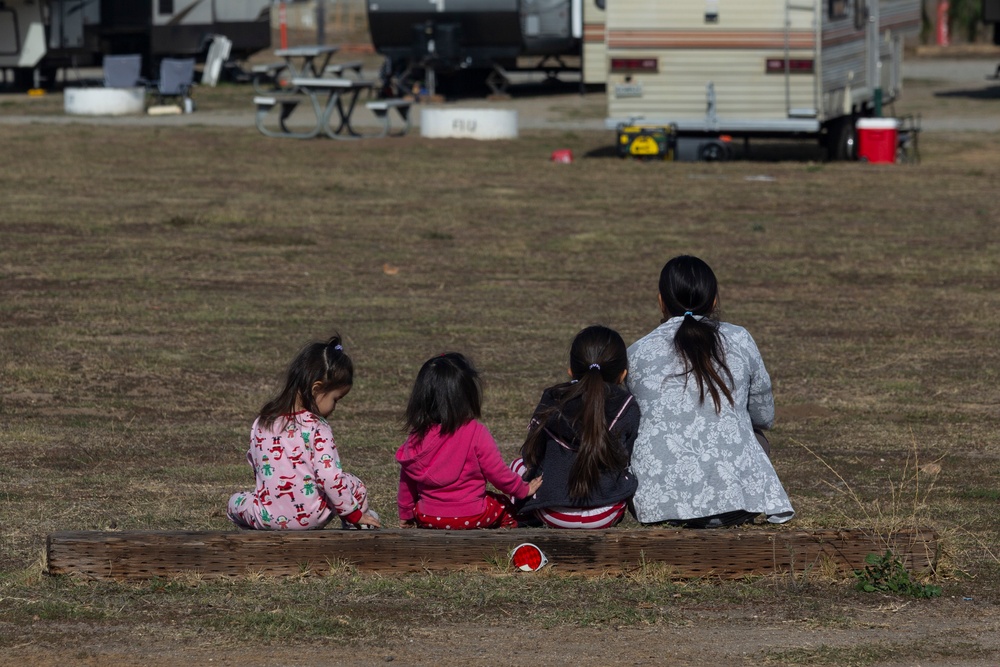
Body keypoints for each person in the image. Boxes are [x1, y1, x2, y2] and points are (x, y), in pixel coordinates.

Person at [627, 255, 794, 527]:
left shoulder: (635, 353)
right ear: (714, 300)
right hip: (738, 506)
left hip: (657, 507)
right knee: (756, 436)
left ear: (661, 301)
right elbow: (764, 417)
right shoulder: (740, 339)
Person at [228, 334, 381, 530]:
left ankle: (254, 532)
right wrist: (353, 512)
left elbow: (258, 467)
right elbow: (329, 477)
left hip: (268, 517)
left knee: (235, 501)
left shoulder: (262, 422)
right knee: (354, 484)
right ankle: (359, 524)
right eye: (336, 399)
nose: (335, 407)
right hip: (311, 517)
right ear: (317, 389)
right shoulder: (318, 427)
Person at [396, 353, 542, 529]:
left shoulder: (416, 436)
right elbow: (497, 474)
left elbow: (407, 480)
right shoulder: (475, 432)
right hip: (473, 514)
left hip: (428, 516)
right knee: (504, 506)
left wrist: (405, 513)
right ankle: (506, 543)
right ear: (467, 395)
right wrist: (522, 489)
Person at [513, 325, 639, 529]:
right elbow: (628, 456)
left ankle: (526, 518)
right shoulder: (627, 405)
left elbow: (532, 454)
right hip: (606, 511)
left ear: (571, 370)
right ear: (622, 375)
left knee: (517, 466)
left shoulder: (552, 398)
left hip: (552, 511)